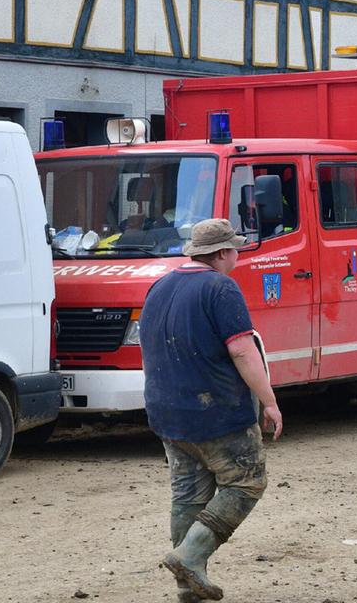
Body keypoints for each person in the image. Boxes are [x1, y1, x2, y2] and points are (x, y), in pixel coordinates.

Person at [139, 218, 283, 603]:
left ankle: (189, 587)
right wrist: (269, 401)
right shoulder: (220, 288)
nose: (238, 254)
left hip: (168, 413)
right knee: (246, 481)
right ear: (221, 253)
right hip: (216, 412)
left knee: (188, 495)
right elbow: (241, 349)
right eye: (234, 248)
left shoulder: (160, 285)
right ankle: (190, 556)